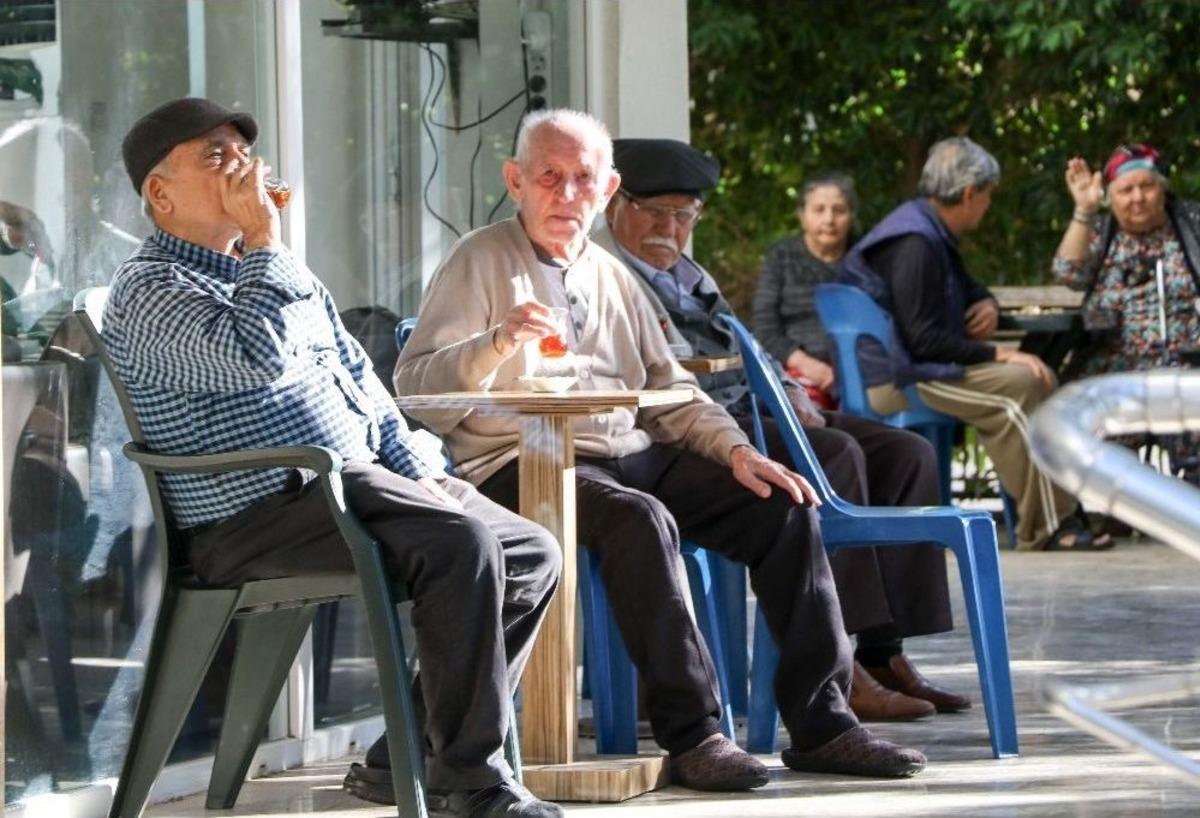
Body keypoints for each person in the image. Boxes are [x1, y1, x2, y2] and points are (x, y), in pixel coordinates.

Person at [395, 108, 928, 790]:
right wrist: (494, 343)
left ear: (606, 189)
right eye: (548, 177)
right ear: (516, 181)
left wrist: (737, 452)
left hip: (623, 449)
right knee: (639, 518)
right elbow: (413, 385)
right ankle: (694, 734)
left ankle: (825, 723)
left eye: (581, 180)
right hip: (516, 463)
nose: (565, 195)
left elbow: (671, 391)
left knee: (782, 503)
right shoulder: (481, 258)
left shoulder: (612, 275)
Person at [104, 97, 564, 818]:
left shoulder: (277, 270)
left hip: (351, 485)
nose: (242, 170)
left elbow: (362, 385)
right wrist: (263, 242)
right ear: (160, 194)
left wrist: (424, 473)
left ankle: (401, 759)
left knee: (530, 550)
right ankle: (473, 783)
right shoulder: (152, 289)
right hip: (253, 514)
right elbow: (256, 359)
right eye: (215, 158)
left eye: (242, 154)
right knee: (461, 543)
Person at [598, 138, 971, 722]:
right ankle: (839, 664)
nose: (669, 228)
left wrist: (788, 385)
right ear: (616, 205)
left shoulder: (688, 272)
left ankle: (883, 651)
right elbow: (663, 378)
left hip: (750, 405)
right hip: (695, 424)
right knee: (835, 454)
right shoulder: (608, 273)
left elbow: (743, 341)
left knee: (907, 453)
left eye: (684, 215)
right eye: (656, 212)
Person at [840, 136, 1109, 552]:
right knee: (1019, 387)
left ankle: (1051, 519)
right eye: (986, 197)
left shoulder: (930, 230)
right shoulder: (915, 243)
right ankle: (1050, 525)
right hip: (901, 376)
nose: (987, 206)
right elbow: (923, 340)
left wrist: (984, 302)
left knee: (1028, 379)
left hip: (917, 365)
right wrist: (1000, 352)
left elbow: (968, 288)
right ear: (969, 193)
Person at [1053, 143, 1200, 374]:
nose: (1138, 197)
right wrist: (1084, 210)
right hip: (1111, 371)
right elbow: (1068, 273)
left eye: (1147, 186)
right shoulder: (1101, 233)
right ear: (1111, 199)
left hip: (1190, 368)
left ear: (1163, 189)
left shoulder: (1192, 225)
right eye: (1126, 190)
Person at [752, 173, 859, 408]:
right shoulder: (782, 257)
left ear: (851, 216)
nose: (829, 219)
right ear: (803, 216)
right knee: (807, 418)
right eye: (819, 210)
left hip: (861, 373)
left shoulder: (864, 259)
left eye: (839, 210)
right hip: (800, 369)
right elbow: (765, 328)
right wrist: (808, 365)